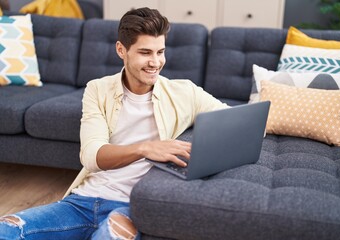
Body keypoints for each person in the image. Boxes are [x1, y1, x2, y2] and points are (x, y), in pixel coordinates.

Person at [0, 7, 227, 240]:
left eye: (160, 52)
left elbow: (233, 121)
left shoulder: (184, 92)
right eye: (145, 52)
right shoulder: (97, 89)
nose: (155, 62)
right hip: (83, 201)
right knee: (6, 230)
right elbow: (91, 155)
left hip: (130, 207)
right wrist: (145, 148)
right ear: (122, 50)